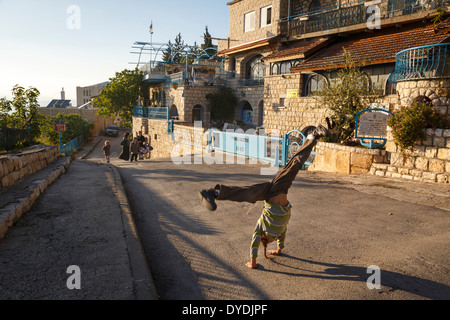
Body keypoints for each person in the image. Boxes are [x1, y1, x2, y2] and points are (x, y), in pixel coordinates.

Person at [198, 125, 330, 269]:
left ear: (265, 238)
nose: (274, 239)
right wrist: (278, 250)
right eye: (275, 241)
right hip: (275, 190)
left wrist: (253, 262)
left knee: (294, 164)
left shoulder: (263, 229)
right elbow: (281, 239)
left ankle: (314, 136)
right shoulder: (279, 232)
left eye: (271, 240)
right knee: (250, 192)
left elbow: (254, 242)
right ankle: (214, 193)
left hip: (275, 190)